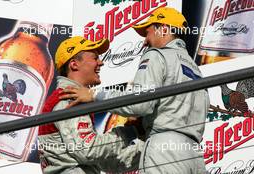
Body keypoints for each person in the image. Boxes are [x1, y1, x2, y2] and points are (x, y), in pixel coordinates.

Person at [59, 7, 210, 174]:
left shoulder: (157, 55)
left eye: (147, 33)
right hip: (194, 155)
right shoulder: (196, 70)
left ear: (164, 29)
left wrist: (95, 95)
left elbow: (141, 103)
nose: (145, 41)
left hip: (164, 149)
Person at [38, 36, 144, 174]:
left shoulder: (70, 97)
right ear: (74, 64)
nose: (101, 63)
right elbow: (88, 150)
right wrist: (130, 132)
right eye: (95, 58)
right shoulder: (69, 98)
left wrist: (148, 146)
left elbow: (106, 163)